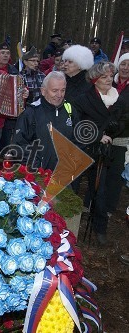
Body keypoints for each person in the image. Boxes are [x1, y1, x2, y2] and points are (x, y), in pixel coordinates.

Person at [74, 61, 127, 246]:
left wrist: (114, 128)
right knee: (73, 187)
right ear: (95, 79)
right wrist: (98, 135)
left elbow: (122, 121)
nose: (109, 80)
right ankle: (67, 224)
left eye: (111, 76)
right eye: (104, 77)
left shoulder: (117, 98)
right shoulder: (83, 99)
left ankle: (100, 228)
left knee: (100, 190)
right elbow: (77, 124)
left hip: (104, 154)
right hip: (84, 149)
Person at [12, 71, 79, 171]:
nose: (59, 95)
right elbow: (18, 144)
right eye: (55, 90)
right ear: (43, 91)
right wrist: (36, 165)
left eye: (63, 90)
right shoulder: (31, 113)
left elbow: (77, 139)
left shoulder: (69, 110)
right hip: (38, 176)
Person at [106, 53, 129, 217]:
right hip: (104, 134)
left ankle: (109, 206)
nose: (125, 68)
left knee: (115, 173)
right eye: (123, 64)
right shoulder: (108, 83)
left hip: (122, 136)